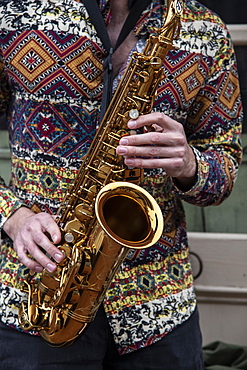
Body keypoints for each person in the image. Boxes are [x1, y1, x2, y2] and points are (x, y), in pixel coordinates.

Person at [0, 0, 243, 369]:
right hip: (38, 297)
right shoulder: (17, 15)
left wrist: (190, 163)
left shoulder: (204, 30)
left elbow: (223, 167)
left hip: (159, 309)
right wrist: (14, 218)